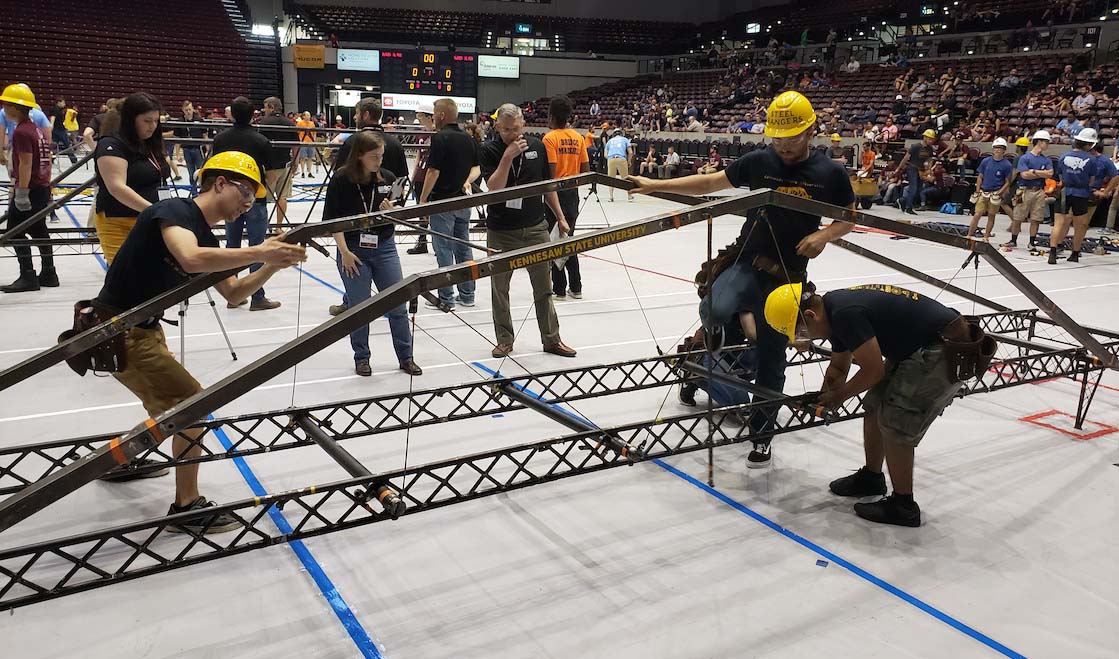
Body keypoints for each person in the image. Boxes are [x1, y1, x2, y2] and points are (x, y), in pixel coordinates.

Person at [627, 91, 855, 468]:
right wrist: (656, 186)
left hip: (787, 278)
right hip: (748, 261)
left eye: (792, 138)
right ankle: (722, 339)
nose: (783, 146)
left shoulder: (830, 173)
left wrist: (825, 235)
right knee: (715, 306)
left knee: (771, 359)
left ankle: (762, 437)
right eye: (777, 138)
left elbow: (849, 217)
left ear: (811, 131)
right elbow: (711, 183)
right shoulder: (759, 161)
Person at [93, 151, 306, 533]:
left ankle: (118, 460)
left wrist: (273, 263)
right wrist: (260, 251)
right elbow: (190, 259)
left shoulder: (201, 231)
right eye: (245, 194)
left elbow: (235, 293)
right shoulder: (175, 211)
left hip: (140, 330)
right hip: (119, 331)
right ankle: (186, 507)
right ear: (220, 183)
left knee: (171, 406)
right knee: (192, 409)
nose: (247, 205)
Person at [764, 281, 972, 526]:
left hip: (944, 348)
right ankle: (872, 477)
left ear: (810, 316)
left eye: (800, 333)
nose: (802, 341)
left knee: (895, 420)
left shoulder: (844, 314)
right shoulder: (833, 311)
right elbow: (840, 365)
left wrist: (839, 396)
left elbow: (873, 369)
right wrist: (824, 396)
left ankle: (904, 506)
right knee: (873, 405)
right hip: (918, 346)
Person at [479, 103, 577, 359]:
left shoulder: (537, 146)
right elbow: (494, 189)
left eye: (516, 128)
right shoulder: (490, 150)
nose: (512, 133)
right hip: (501, 230)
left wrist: (560, 216)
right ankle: (504, 340)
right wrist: (507, 156)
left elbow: (547, 186)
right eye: (506, 129)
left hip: (535, 227)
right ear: (498, 126)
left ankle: (551, 339)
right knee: (500, 289)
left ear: (523, 124)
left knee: (543, 287)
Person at [323, 131, 422, 377]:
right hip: (353, 249)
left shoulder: (390, 178)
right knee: (360, 307)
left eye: (382, 156)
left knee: (397, 304)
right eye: (374, 156)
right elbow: (333, 221)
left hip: (384, 247)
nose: (379, 161)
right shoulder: (341, 180)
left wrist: (393, 210)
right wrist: (343, 251)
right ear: (359, 155)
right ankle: (362, 357)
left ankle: (406, 356)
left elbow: (400, 210)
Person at [210, 96, 279, 310]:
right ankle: (257, 297)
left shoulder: (220, 139)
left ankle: (234, 295)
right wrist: (263, 189)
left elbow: (214, 167)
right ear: (252, 115)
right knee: (258, 246)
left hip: (228, 198)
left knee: (231, 245)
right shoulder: (260, 141)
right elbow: (273, 172)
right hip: (255, 199)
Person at [93, 92, 172, 264]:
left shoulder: (150, 142)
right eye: (147, 121)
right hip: (118, 221)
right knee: (126, 277)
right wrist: (154, 210)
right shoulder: (111, 144)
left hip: (151, 221)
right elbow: (117, 188)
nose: (152, 126)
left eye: (156, 121)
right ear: (131, 119)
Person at [417, 98, 480, 310]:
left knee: (443, 250)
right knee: (464, 248)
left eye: (434, 112)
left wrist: (423, 199)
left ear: (442, 115)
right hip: (463, 202)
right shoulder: (468, 138)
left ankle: (446, 297)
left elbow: (433, 171)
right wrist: (467, 181)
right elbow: (477, 167)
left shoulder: (440, 138)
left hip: (443, 202)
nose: (433, 116)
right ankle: (468, 294)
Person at [1, 83, 57, 293]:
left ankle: (28, 277)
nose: (4, 108)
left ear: (15, 107)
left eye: (6, 104)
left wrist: (21, 193)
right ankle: (49, 273)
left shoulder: (22, 132)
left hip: (30, 189)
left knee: (14, 233)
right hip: (41, 187)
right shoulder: (36, 129)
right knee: (39, 230)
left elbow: (25, 163)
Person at [542, 95, 590, 301]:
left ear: (551, 116)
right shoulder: (578, 138)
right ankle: (576, 286)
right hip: (572, 193)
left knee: (555, 241)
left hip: (555, 192)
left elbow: (551, 171)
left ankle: (559, 288)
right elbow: (586, 170)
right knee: (568, 239)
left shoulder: (550, 139)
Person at [1049, 129, 1100, 264]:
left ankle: (1052, 253)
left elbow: (1060, 176)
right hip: (1081, 193)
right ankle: (1075, 253)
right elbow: (1092, 180)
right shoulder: (1092, 159)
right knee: (1079, 225)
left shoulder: (1063, 156)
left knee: (1058, 223)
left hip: (1065, 191)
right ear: (1089, 145)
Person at [1004, 130, 1054, 250]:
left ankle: (1032, 242)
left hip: (1039, 191)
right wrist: (1041, 173)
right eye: (1046, 142)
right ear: (1040, 142)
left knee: (1036, 218)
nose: (1048, 145)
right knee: (1018, 217)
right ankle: (1013, 240)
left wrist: (1034, 171)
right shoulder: (1025, 158)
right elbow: (1024, 175)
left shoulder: (1046, 160)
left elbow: (1050, 174)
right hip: (1025, 190)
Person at [255, 97, 297, 225]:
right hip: (284, 164)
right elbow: (296, 145)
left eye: (266, 107)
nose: (264, 110)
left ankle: (263, 225)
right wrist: (295, 161)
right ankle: (279, 225)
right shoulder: (290, 123)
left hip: (266, 167)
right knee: (282, 197)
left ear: (271, 107)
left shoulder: (262, 122)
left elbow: (257, 143)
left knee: (262, 198)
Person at [967, 137, 1013, 241]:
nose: (997, 150)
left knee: (991, 215)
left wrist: (999, 193)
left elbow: (1007, 182)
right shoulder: (986, 161)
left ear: (1004, 150)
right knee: (977, 214)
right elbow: (980, 176)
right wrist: (977, 190)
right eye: (996, 148)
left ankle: (986, 236)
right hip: (984, 191)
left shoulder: (1007, 165)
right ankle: (969, 234)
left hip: (995, 193)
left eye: (1000, 148)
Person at [405, 102, 435, 256]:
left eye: (421, 116)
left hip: (433, 176)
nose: (418, 119)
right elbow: (418, 154)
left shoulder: (437, 134)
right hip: (421, 176)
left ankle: (437, 241)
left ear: (430, 117)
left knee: (435, 210)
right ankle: (422, 241)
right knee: (420, 209)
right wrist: (414, 173)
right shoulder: (422, 134)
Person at [172, 101, 209, 197]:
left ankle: (203, 192)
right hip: (186, 150)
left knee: (201, 172)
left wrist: (207, 150)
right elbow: (177, 139)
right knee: (191, 172)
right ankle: (194, 194)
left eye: (190, 109)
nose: (188, 111)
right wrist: (177, 154)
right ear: (183, 110)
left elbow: (205, 135)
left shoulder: (199, 120)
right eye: (186, 110)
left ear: (193, 109)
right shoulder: (180, 122)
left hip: (198, 149)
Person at [897, 129, 937, 214]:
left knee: (919, 189)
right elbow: (906, 157)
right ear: (925, 137)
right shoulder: (916, 146)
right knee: (913, 187)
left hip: (921, 170)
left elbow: (930, 159)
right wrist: (899, 168)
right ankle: (908, 208)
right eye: (929, 138)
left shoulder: (930, 149)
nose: (931, 141)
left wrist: (929, 169)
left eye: (932, 139)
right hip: (912, 168)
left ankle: (902, 200)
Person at [604, 128, 633, 202]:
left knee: (611, 179)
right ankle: (629, 195)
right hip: (621, 158)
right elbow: (630, 152)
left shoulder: (609, 141)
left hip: (611, 159)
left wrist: (610, 158)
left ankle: (611, 197)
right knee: (625, 178)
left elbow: (605, 155)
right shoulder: (625, 139)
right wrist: (629, 161)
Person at [49, 98, 77, 165]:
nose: (64, 104)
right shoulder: (55, 109)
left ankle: (52, 158)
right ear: (59, 102)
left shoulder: (60, 110)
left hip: (58, 129)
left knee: (55, 146)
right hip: (59, 130)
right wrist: (51, 126)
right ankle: (74, 160)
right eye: (63, 102)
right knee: (67, 144)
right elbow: (53, 118)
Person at [296, 111, 317, 177]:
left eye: (309, 115)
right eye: (307, 115)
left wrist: (314, 141)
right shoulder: (300, 123)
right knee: (302, 158)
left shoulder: (312, 123)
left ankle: (309, 172)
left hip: (310, 142)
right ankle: (303, 172)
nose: (308, 117)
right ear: (303, 116)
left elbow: (314, 133)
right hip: (303, 142)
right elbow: (297, 132)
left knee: (310, 158)